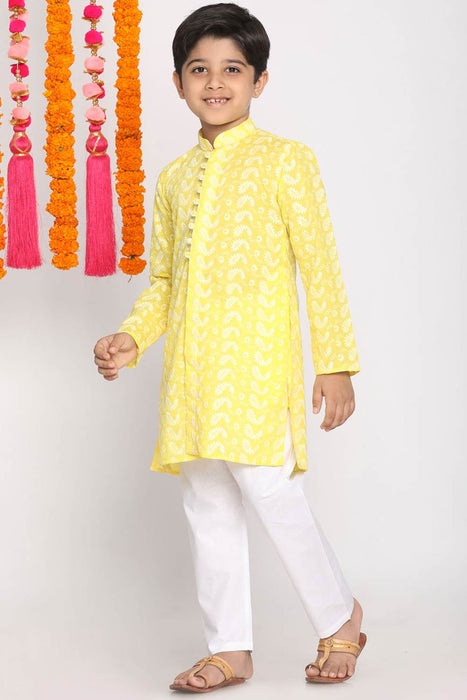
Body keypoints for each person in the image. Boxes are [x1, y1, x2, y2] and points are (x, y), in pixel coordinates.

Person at [94, 2, 366, 692]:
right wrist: (131, 336)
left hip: (257, 364)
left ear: (259, 81)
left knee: (270, 491)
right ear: (178, 81)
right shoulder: (173, 179)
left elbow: (320, 267)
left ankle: (339, 616)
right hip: (191, 373)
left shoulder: (285, 161)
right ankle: (230, 649)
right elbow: (165, 282)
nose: (215, 82)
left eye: (232, 69)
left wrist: (335, 363)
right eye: (199, 69)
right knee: (207, 502)